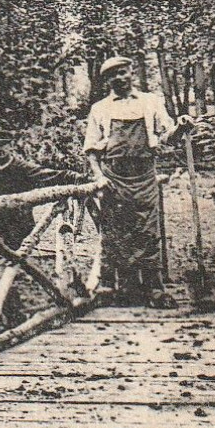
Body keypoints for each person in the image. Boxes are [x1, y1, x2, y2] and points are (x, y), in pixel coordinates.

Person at [84, 56, 194, 306]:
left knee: (147, 230)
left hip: (144, 174)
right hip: (113, 176)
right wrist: (99, 176)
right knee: (114, 230)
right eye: (113, 75)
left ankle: (154, 288)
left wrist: (181, 126)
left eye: (123, 72)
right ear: (107, 80)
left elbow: (168, 137)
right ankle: (115, 287)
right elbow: (91, 149)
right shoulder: (100, 108)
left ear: (131, 72)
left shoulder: (150, 102)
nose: (119, 78)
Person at [0, 133, 86, 250]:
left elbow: (49, 174)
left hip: (19, 226)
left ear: (10, 146)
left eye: (2, 144)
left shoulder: (22, 168)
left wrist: (77, 177)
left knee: (16, 263)